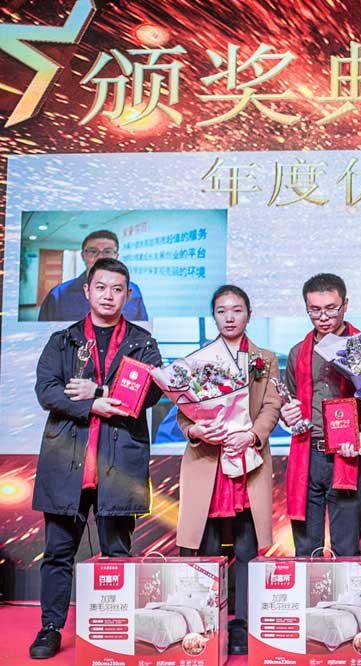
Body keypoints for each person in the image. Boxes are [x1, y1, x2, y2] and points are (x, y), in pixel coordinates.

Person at [29, 258, 162, 659]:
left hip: (119, 465)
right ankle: (51, 628)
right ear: (87, 291)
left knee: (118, 553)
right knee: (58, 554)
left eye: (117, 289)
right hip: (67, 462)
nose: (108, 295)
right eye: (101, 287)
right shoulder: (64, 340)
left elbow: (149, 394)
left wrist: (98, 390)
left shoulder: (143, 343)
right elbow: (47, 391)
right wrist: (93, 406)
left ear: (128, 294)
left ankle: (117, 627)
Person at [175, 285, 280, 655]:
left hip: (248, 463)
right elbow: (183, 413)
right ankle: (205, 623)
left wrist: (252, 435)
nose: (230, 317)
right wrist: (196, 430)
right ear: (214, 316)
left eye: (237, 310)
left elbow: (271, 406)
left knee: (247, 548)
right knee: (205, 548)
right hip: (208, 463)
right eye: (222, 311)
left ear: (248, 314)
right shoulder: (197, 360)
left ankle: (243, 625)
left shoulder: (264, 359)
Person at [280, 273, 361, 557]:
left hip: (347, 454)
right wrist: (287, 416)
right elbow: (290, 403)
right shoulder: (298, 352)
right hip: (307, 455)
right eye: (315, 310)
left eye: (331, 309)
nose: (323, 317)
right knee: (306, 548)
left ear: (345, 304)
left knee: (346, 547)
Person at [38, 230, 148, 322]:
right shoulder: (58, 295)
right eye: (92, 251)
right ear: (83, 256)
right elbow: (44, 335)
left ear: (116, 256)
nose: (100, 257)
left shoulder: (133, 291)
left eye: (108, 251)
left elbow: (142, 332)